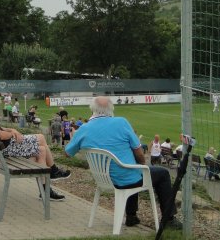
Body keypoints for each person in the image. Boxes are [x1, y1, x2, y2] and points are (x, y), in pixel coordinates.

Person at [65, 96, 182, 229]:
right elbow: (138, 152)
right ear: (111, 109)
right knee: (160, 173)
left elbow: (67, 153)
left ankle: (131, 216)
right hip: (126, 178)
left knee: (132, 169)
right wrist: (143, 164)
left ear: (92, 109)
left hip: (103, 179)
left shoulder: (84, 129)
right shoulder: (121, 122)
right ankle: (169, 219)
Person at [0, 83, 71, 201]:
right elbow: (2, 135)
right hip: (5, 148)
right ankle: (54, 171)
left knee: (42, 150)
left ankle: (46, 191)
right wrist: (13, 134)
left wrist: (11, 129)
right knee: (40, 137)